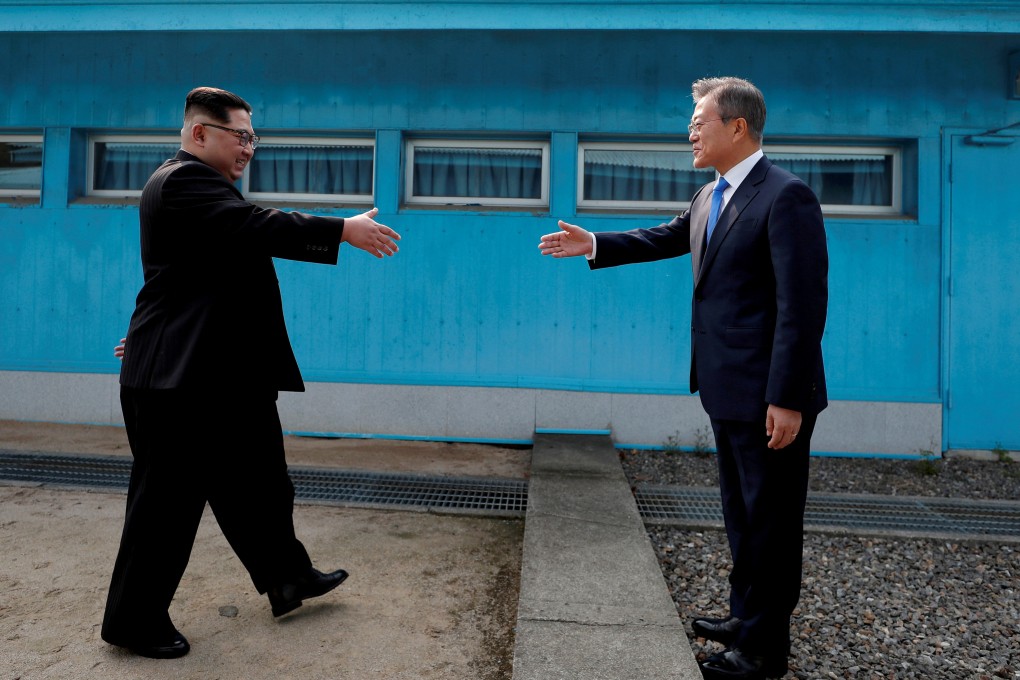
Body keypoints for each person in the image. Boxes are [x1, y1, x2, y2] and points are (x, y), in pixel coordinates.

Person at [539, 77, 827, 680]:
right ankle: (746, 617)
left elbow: (802, 307)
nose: (690, 131)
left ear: (738, 127)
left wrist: (787, 398)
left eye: (700, 120)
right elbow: (664, 237)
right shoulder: (709, 196)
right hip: (725, 387)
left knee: (771, 522)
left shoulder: (787, 197)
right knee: (741, 513)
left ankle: (764, 651)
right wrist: (595, 241)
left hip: (770, 395)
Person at [101, 86, 402, 660]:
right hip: (179, 387)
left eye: (253, 138)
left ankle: (288, 578)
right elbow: (260, 225)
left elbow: (192, 283)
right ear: (199, 134)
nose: (248, 149)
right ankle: (132, 621)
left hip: (214, 374)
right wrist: (341, 229)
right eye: (240, 136)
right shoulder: (184, 180)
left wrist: (153, 336)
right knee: (165, 507)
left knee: (261, 484)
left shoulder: (207, 192)